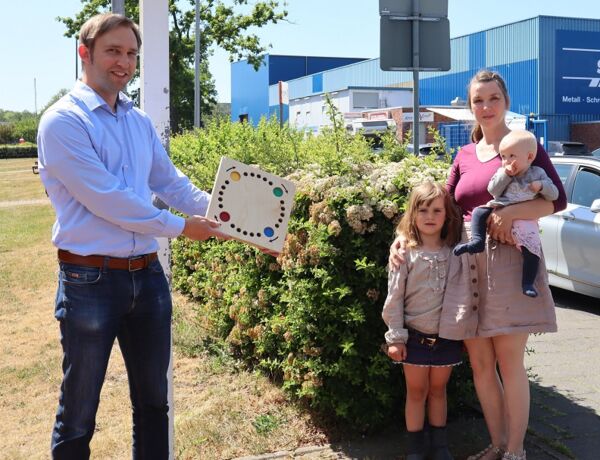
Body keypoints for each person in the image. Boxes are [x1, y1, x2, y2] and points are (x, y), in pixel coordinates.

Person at [37, 13, 269, 459]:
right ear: (84, 53)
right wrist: (183, 228)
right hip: (90, 283)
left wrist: (236, 218)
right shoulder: (62, 122)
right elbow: (111, 200)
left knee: (154, 404)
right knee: (79, 412)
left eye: (131, 54)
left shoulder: (137, 121)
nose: (124, 62)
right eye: (113, 51)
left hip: (147, 278)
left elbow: (173, 184)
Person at [389, 70, 566, 460]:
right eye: (477, 101)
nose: (485, 107)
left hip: (509, 262)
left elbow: (557, 200)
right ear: (470, 107)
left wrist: (512, 213)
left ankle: (516, 452)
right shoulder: (465, 155)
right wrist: (403, 236)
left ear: (505, 100)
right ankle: (497, 444)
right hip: (466, 267)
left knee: (508, 362)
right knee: (481, 364)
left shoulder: (523, 146)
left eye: (493, 99)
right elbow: (440, 204)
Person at [382, 181, 463, 460]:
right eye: (423, 210)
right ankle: (415, 450)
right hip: (414, 338)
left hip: (447, 337)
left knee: (439, 391)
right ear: (413, 214)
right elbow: (394, 297)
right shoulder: (404, 253)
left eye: (437, 210)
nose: (430, 216)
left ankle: (440, 447)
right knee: (416, 392)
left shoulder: (456, 251)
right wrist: (395, 337)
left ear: (447, 214)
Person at [453, 129, 559, 298]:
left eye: (512, 156)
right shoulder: (502, 172)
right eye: (503, 157)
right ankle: (477, 241)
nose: (506, 161)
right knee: (479, 212)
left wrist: (541, 186)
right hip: (500, 205)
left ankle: (527, 282)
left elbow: (554, 195)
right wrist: (506, 174)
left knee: (532, 248)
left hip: (524, 215)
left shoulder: (538, 173)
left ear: (529, 157)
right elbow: (493, 190)